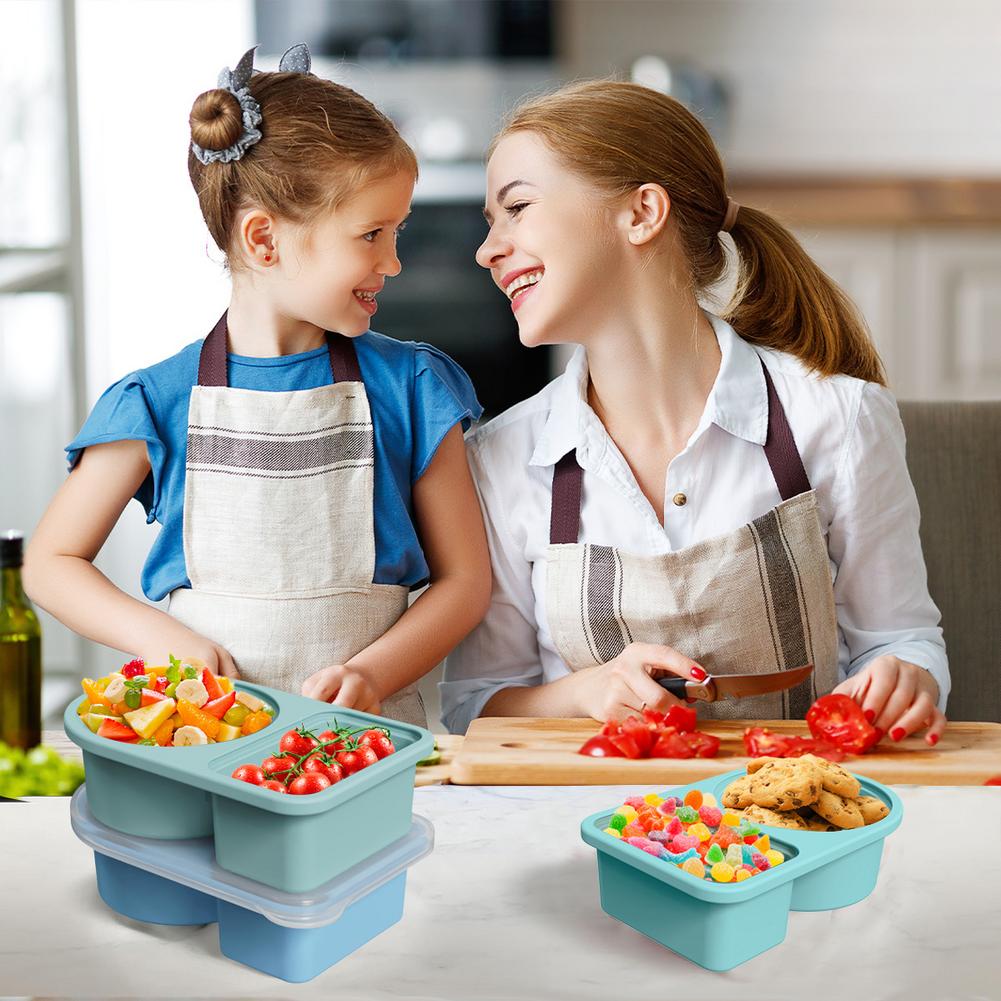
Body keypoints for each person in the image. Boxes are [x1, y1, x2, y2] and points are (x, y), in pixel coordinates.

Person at [441, 80, 948, 745]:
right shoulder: (500, 458)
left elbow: (901, 637)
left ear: (641, 212)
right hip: (581, 820)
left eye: (517, 208)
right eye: (490, 221)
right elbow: (470, 707)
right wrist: (580, 692)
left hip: (797, 823)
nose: (488, 249)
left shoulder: (837, 417)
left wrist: (905, 676)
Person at [24, 45, 490, 727]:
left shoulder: (415, 387)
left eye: (398, 231)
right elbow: (50, 562)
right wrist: (163, 640)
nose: (392, 261)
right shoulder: (157, 399)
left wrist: (369, 673)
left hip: (369, 745)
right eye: (371, 234)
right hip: (206, 747)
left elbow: (466, 582)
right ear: (264, 240)